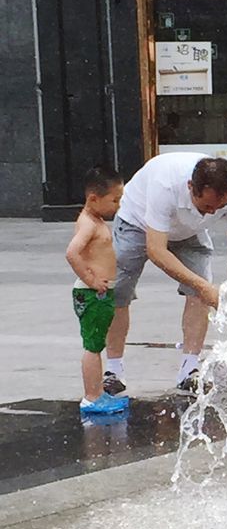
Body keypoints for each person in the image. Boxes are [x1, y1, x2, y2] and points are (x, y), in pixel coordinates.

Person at [103, 154, 227, 394]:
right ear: (191, 187)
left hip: (189, 232)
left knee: (200, 292)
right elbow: (156, 250)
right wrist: (205, 287)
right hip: (137, 222)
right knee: (118, 292)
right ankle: (113, 370)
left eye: (219, 209)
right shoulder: (166, 184)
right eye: (206, 207)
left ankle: (189, 370)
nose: (211, 213)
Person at [66, 166, 128, 416]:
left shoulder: (96, 220)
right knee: (93, 346)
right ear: (94, 198)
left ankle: (97, 393)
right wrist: (91, 280)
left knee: (97, 343)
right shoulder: (89, 224)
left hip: (99, 292)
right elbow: (72, 253)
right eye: (114, 200)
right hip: (92, 293)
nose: (118, 205)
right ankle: (92, 397)